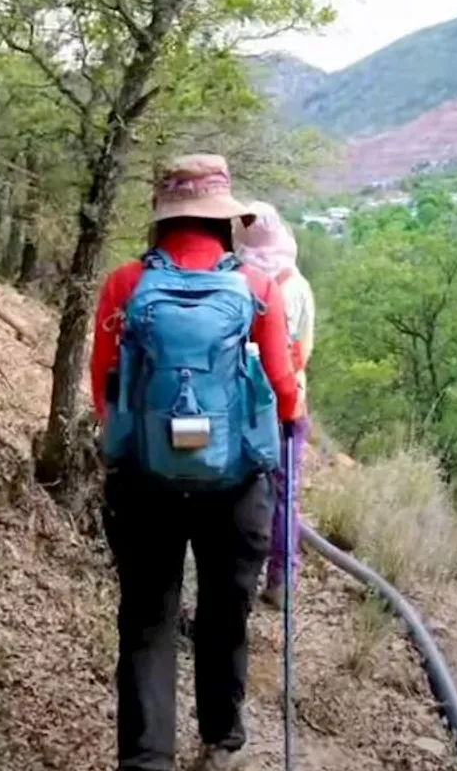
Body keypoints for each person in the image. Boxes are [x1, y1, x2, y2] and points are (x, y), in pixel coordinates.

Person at [93, 154, 304, 771]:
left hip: (145, 481)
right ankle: (221, 739)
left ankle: (146, 758)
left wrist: (146, 441)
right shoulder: (257, 289)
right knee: (223, 613)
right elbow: (284, 390)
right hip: (235, 483)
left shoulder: (125, 285)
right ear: (223, 221)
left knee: (148, 617)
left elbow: (104, 386)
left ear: (163, 216)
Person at [237, 200, 315, 610]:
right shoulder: (296, 287)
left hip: (241, 404)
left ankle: (239, 579)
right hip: (287, 404)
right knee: (285, 495)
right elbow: (307, 347)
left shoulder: (234, 281)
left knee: (241, 489)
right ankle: (280, 579)